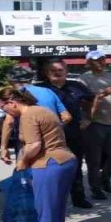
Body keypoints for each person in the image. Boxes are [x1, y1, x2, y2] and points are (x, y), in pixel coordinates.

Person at [0, 87, 80, 222]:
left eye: (4, 108)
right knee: (56, 207)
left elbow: (34, 145)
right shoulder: (42, 110)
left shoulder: (28, 115)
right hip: (65, 161)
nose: (6, 112)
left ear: (12, 102)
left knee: (46, 209)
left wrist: (23, 162)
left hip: (48, 164)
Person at [36, 57, 94, 209]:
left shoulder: (76, 86)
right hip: (49, 136)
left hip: (74, 132)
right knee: (51, 167)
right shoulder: (39, 89)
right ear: (46, 73)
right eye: (53, 70)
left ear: (66, 71)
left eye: (60, 70)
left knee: (75, 165)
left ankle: (78, 197)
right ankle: (53, 201)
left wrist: (88, 118)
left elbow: (91, 100)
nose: (57, 73)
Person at [78, 50, 111, 201]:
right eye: (95, 61)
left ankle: (104, 178)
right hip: (94, 123)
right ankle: (95, 188)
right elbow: (84, 102)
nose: (99, 63)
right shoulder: (83, 79)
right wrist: (104, 93)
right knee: (94, 160)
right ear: (88, 63)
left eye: (102, 59)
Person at [0, 66, 69, 166]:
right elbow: (66, 117)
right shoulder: (48, 91)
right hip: (52, 145)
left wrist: (3, 148)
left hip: (28, 144)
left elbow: (9, 122)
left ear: (11, 81)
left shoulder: (16, 95)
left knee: (26, 177)